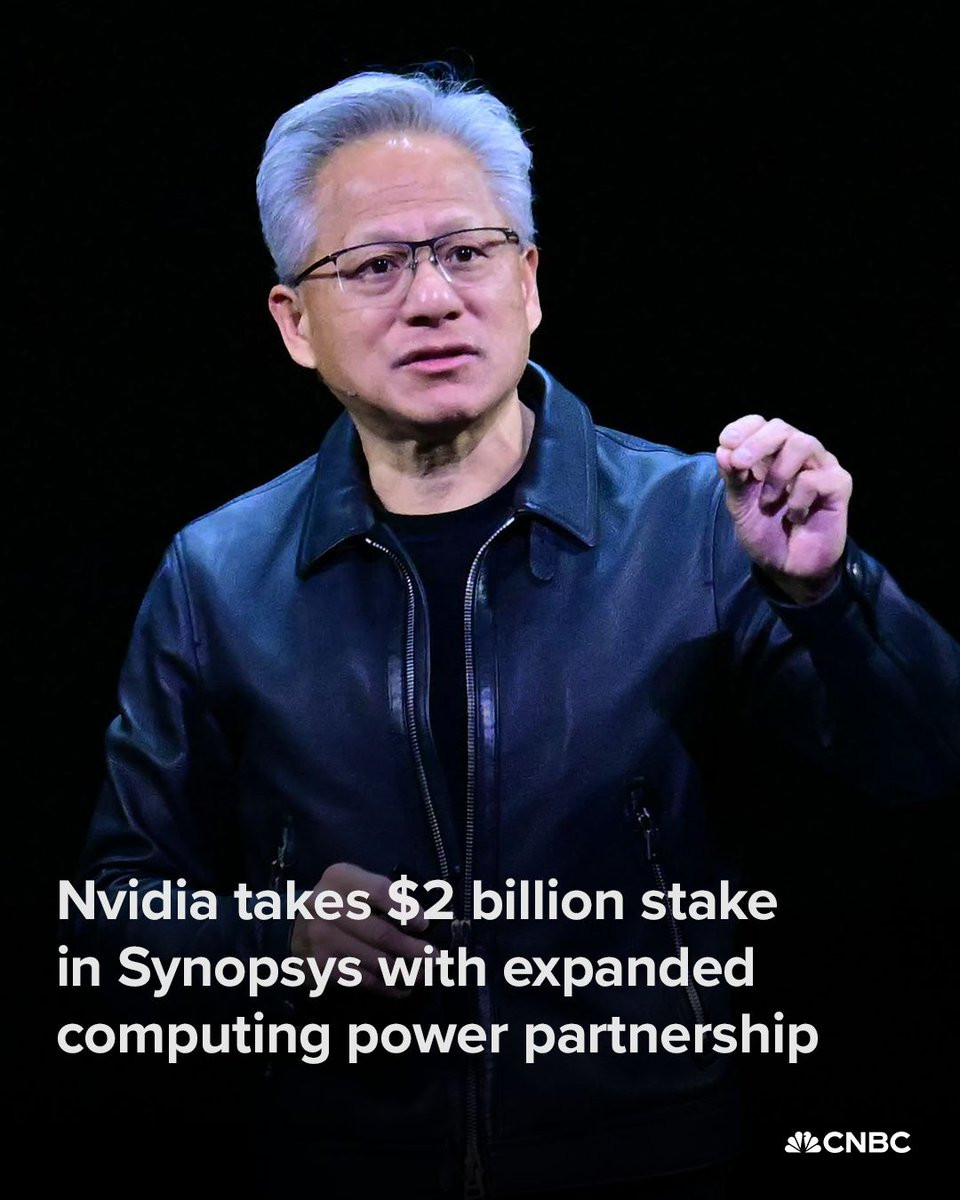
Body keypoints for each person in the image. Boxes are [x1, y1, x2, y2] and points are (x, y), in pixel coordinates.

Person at [75, 69, 960, 1198]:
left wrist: (829, 594)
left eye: (468, 251)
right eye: (375, 266)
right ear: (295, 324)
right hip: (344, 1164)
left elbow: (924, 767)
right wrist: (274, 944)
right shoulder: (216, 572)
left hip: (650, 1155)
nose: (433, 299)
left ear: (529, 282)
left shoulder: (700, 521)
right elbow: (116, 918)